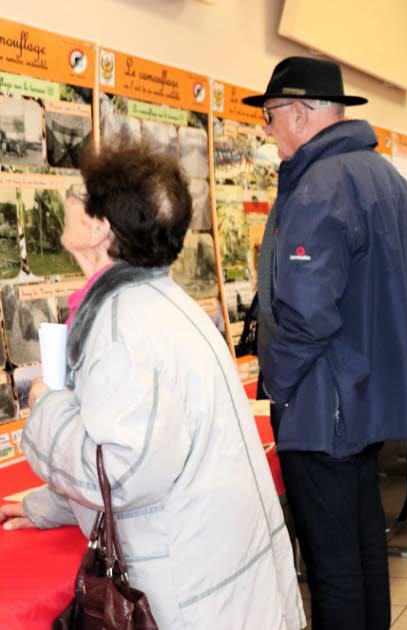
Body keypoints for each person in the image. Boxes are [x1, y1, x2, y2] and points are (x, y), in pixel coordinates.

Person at [0, 143, 304, 629]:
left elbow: (122, 475)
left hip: (189, 591)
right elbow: (138, 440)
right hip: (216, 570)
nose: (69, 200)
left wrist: (47, 408)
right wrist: (51, 503)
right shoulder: (159, 303)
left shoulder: (124, 326)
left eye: (81, 194)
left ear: (101, 228)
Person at [245, 57, 407, 629]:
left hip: (320, 408)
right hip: (364, 406)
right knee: (364, 550)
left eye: (272, 115)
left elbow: (307, 316)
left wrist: (276, 384)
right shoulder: (390, 181)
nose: (269, 128)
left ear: (301, 114)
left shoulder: (317, 188)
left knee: (331, 569)